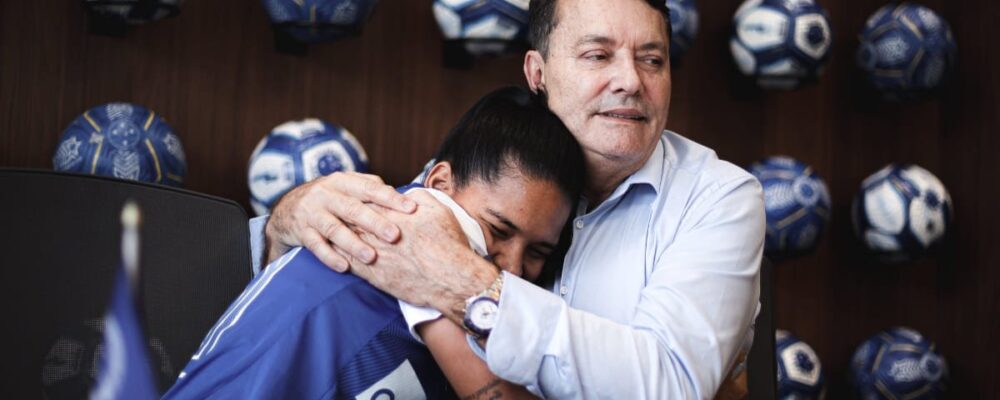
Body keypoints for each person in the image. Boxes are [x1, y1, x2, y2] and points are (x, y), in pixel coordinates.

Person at [256, 0, 765, 398]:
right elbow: (370, 247)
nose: (631, 81)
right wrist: (287, 217)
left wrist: (471, 287)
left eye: (652, 60)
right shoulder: (497, 157)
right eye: (598, 55)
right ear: (537, 74)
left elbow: (669, 386)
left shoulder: (721, 197)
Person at [166, 87, 585, 399]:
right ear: (439, 183)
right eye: (499, 230)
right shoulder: (373, 262)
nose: (511, 268)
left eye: (537, 253)